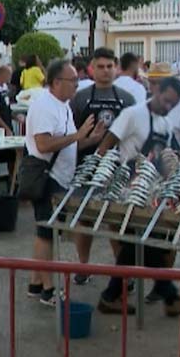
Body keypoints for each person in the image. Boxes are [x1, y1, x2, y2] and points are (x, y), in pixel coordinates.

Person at [94, 76, 180, 316]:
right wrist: (103, 178)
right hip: (129, 191)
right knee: (143, 241)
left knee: (140, 244)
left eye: (172, 105)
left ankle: (114, 296)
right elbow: (106, 145)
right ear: (156, 91)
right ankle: (169, 297)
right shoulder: (132, 115)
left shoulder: (164, 123)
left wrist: (176, 179)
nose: (168, 107)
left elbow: (161, 157)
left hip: (152, 192)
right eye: (166, 101)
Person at [25, 60, 106, 306]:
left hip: (61, 177)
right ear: (57, 82)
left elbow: (70, 143)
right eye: (73, 81)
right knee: (46, 233)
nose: (76, 85)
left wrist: (89, 140)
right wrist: (77, 135)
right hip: (47, 178)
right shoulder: (44, 106)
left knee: (47, 231)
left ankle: (36, 283)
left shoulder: (64, 106)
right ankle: (48, 289)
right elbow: (43, 144)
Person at [67, 49, 137, 276]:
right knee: (84, 220)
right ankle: (83, 266)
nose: (105, 71)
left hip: (118, 169)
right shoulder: (80, 98)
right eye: (101, 67)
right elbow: (71, 136)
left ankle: (122, 272)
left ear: (116, 68)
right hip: (85, 168)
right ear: (92, 69)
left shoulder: (127, 99)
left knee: (117, 222)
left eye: (109, 66)